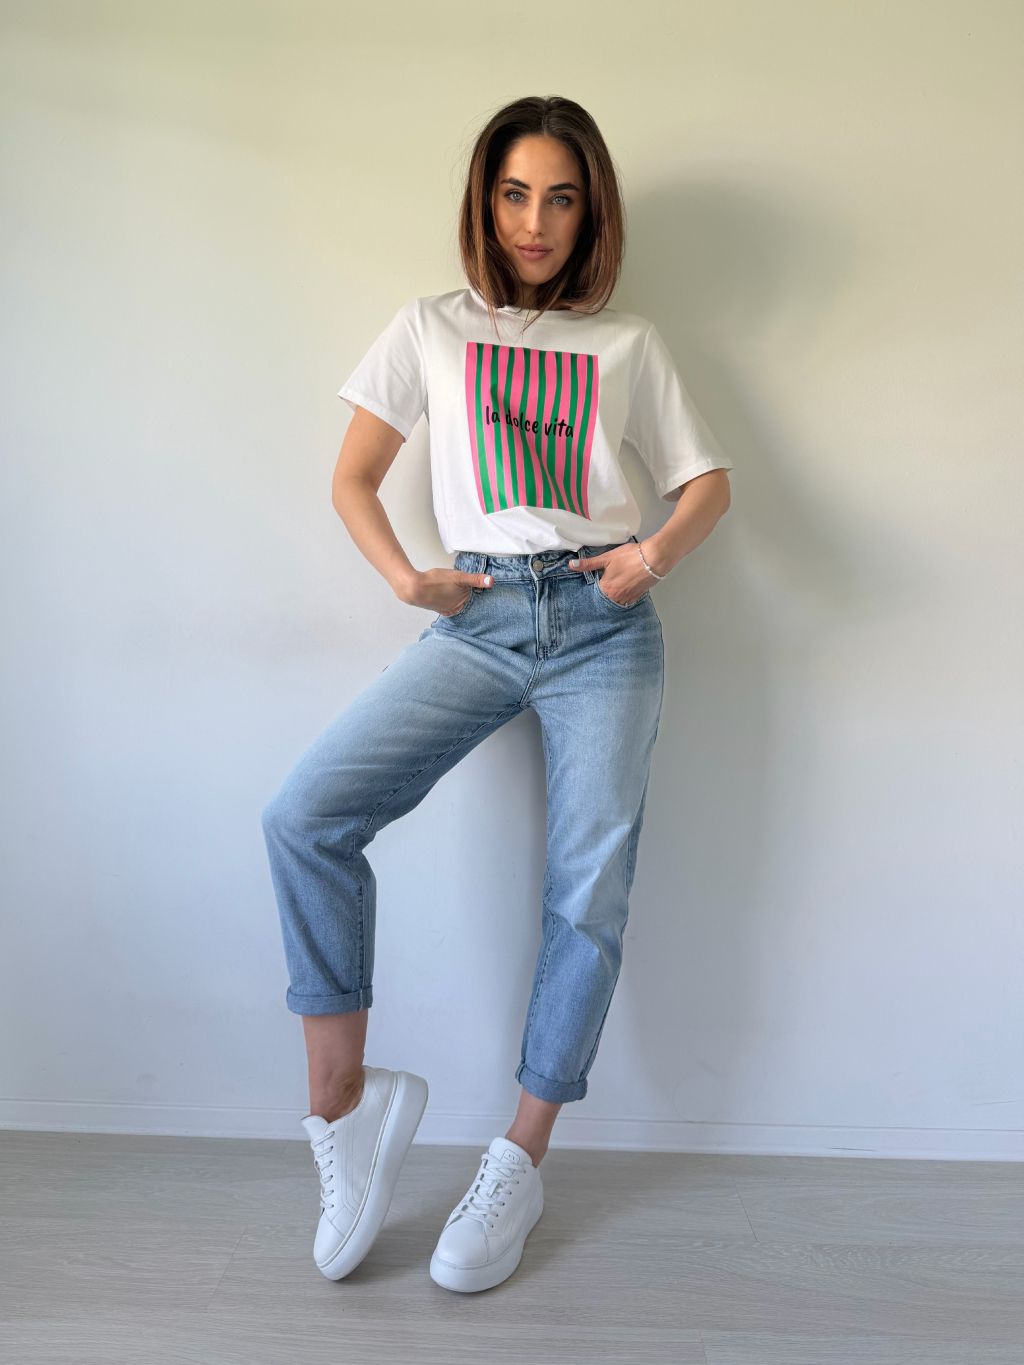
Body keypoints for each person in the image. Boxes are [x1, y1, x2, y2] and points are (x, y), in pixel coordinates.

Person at [260, 94, 733, 1293]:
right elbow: (354, 478)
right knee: (307, 817)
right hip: (477, 615)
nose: (535, 221)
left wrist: (646, 559)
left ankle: (519, 1159)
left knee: (587, 897)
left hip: (602, 625)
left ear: (591, 212)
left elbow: (706, 486)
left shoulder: (628, 343)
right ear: (484, 199)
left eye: (561, 198)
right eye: (515, 194)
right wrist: (407, 580)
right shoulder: (430, 326)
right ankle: (343, 1107)